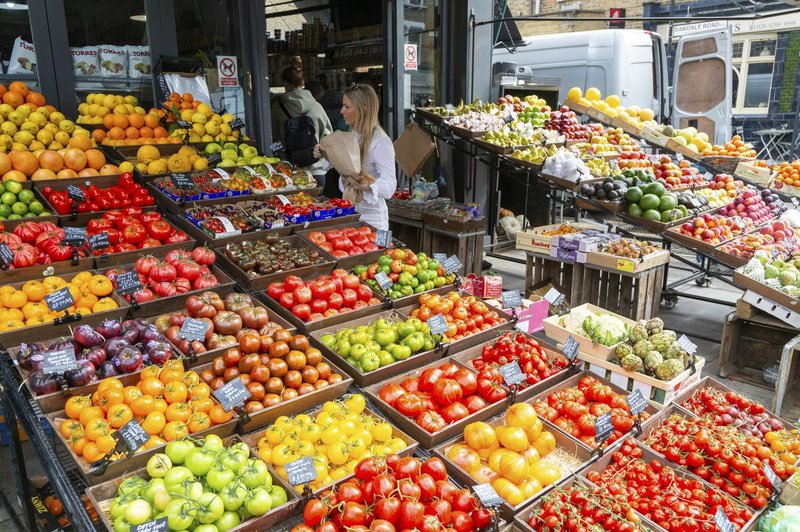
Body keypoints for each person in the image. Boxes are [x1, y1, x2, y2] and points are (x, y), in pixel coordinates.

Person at [314, 83, 395, 230]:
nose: (341, 111)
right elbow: (344, 164)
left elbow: (390, 186)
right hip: (349, 212)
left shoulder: (381, 142)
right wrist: (326, 154)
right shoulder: (353, 136)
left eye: (347, 107)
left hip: (373, 219)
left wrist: (369, 186)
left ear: (363, 109)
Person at [270, 57, 332, 187]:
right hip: (317, 169)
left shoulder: (277, 108)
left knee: (297, 206)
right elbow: (328, 136)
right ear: (302, 82)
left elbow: (275, 139)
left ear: (285, 83)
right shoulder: (316, 106)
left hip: (291, 172)